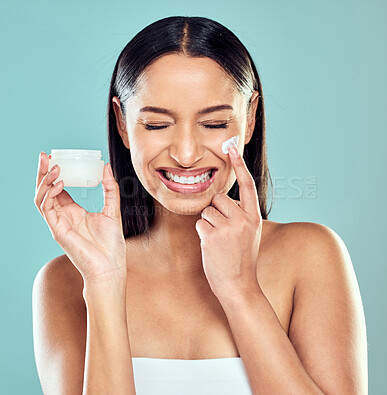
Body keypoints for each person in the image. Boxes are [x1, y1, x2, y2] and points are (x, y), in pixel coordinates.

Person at [32, 16, 368, 395]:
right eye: (157, 125)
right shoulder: (65, 283)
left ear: (251, 116)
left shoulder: (311, 256)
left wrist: (241, 290)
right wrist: (104, 282)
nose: (187, 154)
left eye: (214, 123)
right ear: (123, 124)